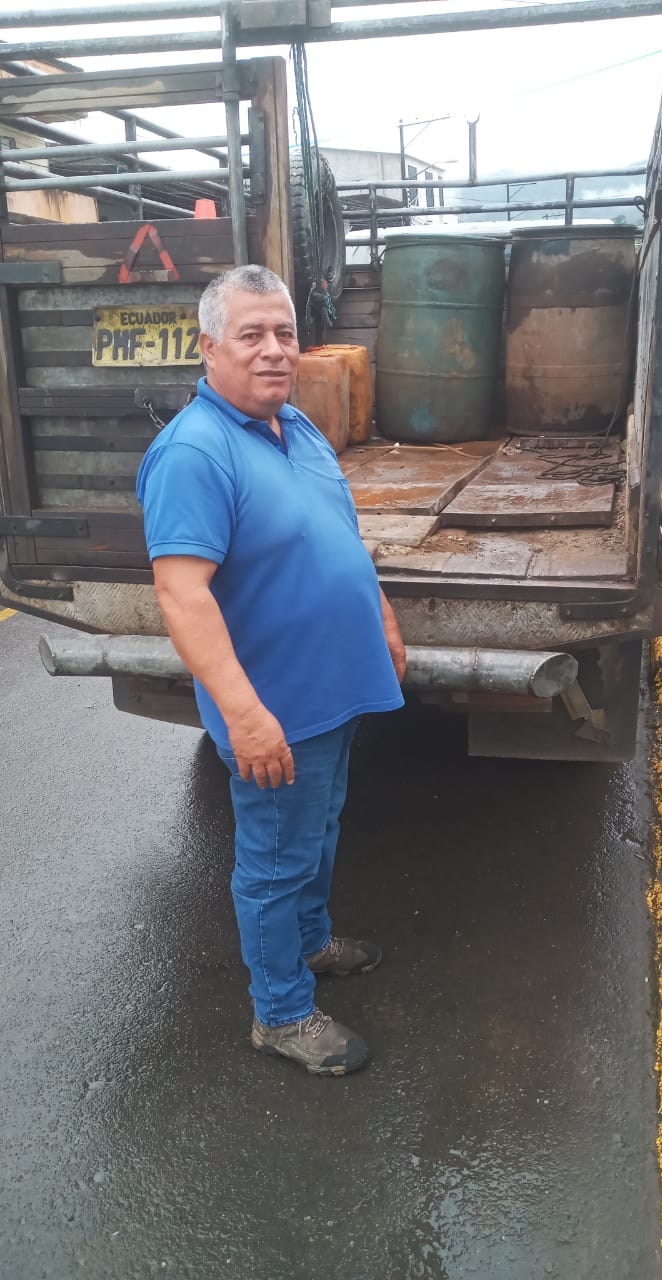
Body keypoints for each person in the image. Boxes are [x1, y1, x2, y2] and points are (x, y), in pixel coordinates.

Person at [136, 264, 406, 1077]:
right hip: (276, 707)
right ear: (210, 346)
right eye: (251, 334)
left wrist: (382, 618)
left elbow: (340, 535)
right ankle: (281, 1013)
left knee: (319, 827)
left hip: (336, 689)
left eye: (284, 333)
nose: (273, 350)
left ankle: (311, 941)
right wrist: (244, 713)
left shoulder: (298, 428)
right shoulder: (194, 451)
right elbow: (182, 595)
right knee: (276, 858)